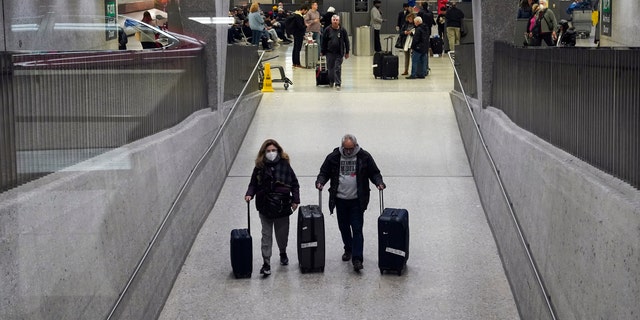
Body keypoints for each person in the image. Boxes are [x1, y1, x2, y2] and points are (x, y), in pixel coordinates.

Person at [315, 134, 386, 272]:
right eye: (346, 149)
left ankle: (357, 258)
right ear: (342, 146)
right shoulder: (333, 157)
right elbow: (324, 172)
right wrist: (320, 182)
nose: (348, 152)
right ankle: (348, 248)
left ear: (355, 146)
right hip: (340, 200)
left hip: (357, 201)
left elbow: (374, 173)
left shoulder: (364, 157)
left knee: (357, 228)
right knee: (344, 227)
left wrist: (379, 183)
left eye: (351, 149)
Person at [245, 139, 300, 277]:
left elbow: (294, 184)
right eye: (268, 151)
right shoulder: (259, 167)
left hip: (282, 206)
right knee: (266, 235)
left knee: (282, 234)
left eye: (273, 150)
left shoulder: (285, 165)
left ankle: (283, 252)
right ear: (264, 153)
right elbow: (253, 184)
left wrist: (295, 200)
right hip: (265, 206)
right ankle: (266, 263)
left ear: (278, 151)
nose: (271, 153)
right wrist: (249, 194)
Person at [321, 14, 350, 91]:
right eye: (334, 20)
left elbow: (346, 41)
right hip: (329, 52)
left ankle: (338, 83)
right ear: (331, 21)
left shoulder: (342, 30)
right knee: (330, 68)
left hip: (339, 53)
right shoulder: (327, 30)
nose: (335, 22)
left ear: (339, 21)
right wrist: (322, 51)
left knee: (337, 68)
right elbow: (324, 41)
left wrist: (347, 52)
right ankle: (331, 81)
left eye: (336, 20)